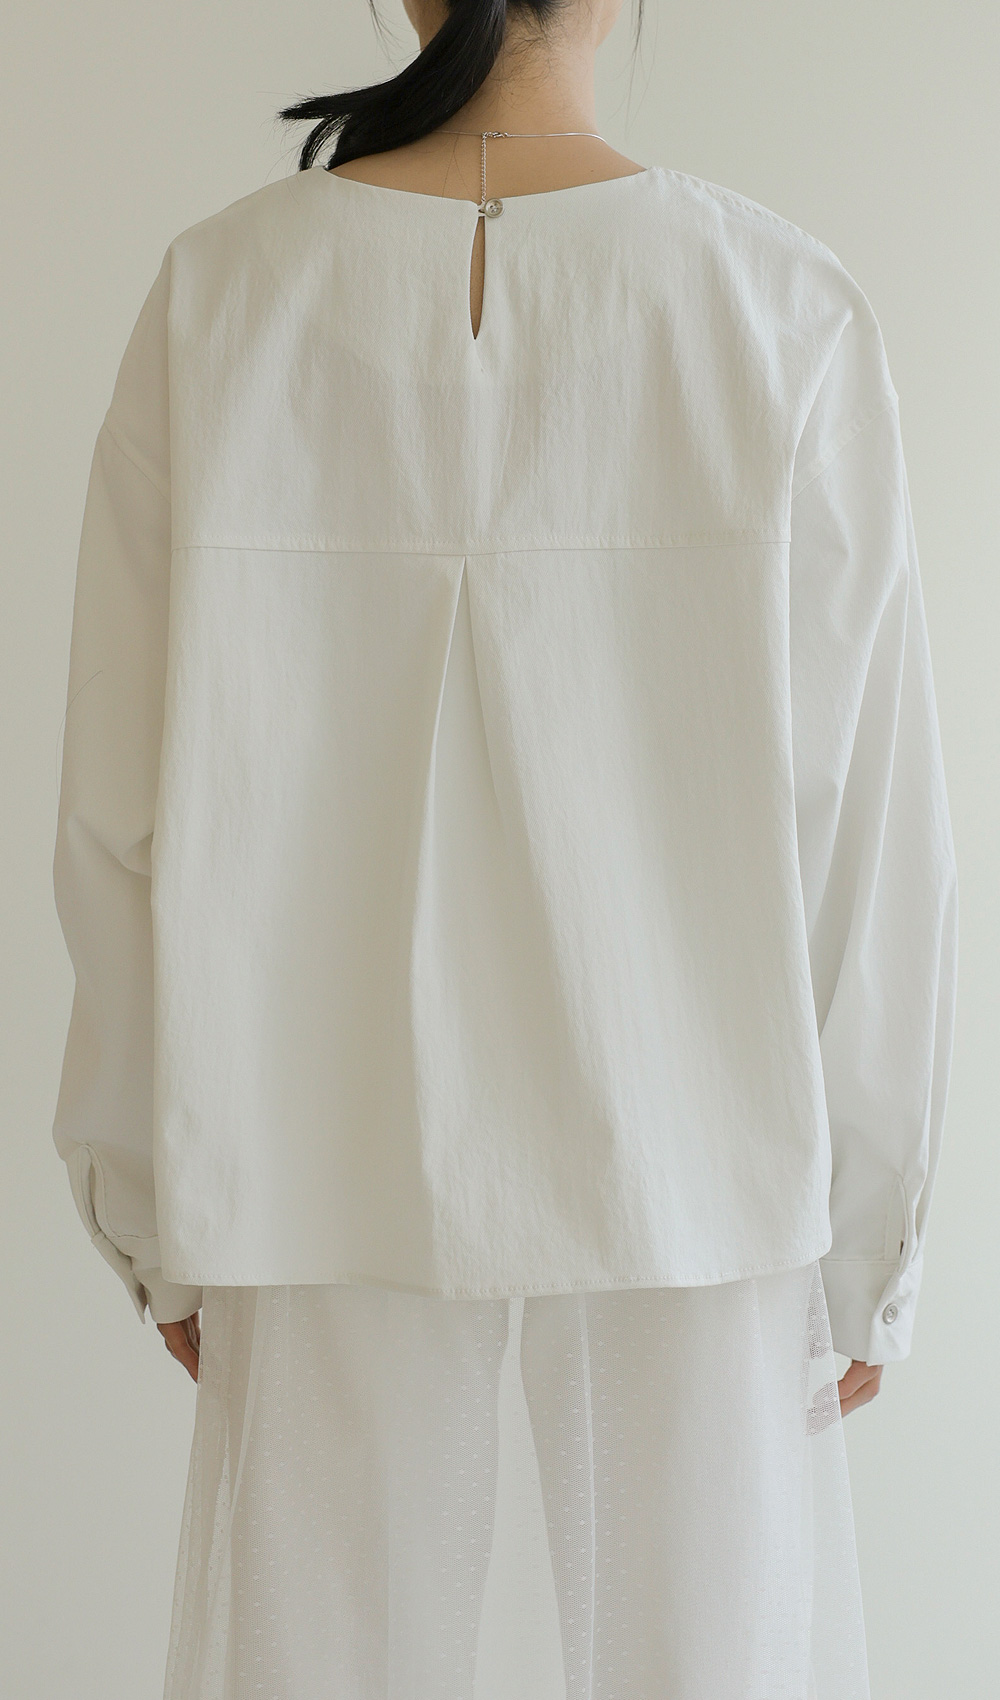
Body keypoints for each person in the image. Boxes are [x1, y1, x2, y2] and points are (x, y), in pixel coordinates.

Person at [51, 0, 958, 1694]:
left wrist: (149, 1203)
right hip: (699, 1165)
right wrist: (868, 1243)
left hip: (311, 1161)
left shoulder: (220, 298)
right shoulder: (779, 309)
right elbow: (873, 826)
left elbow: (116, 812)